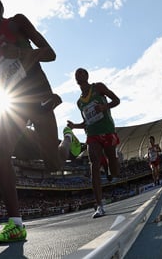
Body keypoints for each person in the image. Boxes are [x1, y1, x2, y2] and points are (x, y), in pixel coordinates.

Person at [0, 0, 75, 244]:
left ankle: (67, 142)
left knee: (53, 164)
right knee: (0, 148)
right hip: (15, 101)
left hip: (37, 92)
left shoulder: (17, 22)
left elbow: (50, 54)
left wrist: (19, 51)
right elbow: (10, 77)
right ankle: (16, 224)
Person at [67, 67, 120, 219]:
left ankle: (109, 166)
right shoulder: (79, 102)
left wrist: (105, 106)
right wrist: (74, 126)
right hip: (92, 135)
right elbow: (86, 122)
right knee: (93, 165)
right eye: (76, 74)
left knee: (114, 168)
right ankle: (99, 205)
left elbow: (116, 100)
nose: (78, 75)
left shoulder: (98, 87)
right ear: (76, 80)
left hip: (107, 130)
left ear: (87, 76)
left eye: (81, 72)